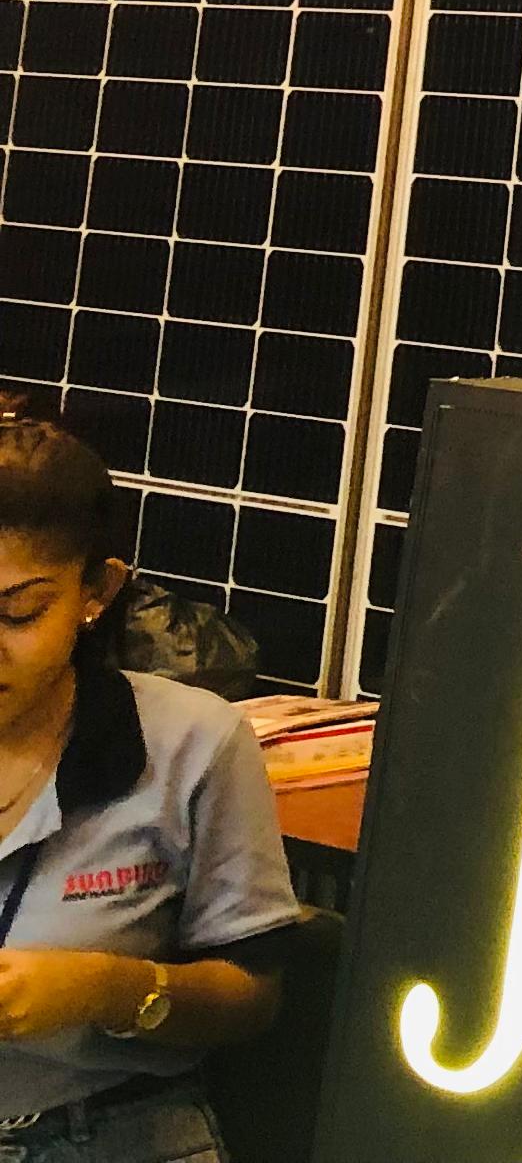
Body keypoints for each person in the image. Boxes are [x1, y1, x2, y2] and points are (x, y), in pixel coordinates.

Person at [0, 418, 293, 1162]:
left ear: (97, 591)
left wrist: (106, 989)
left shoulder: (192, 743)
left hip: (110, 1131)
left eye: (19, 613)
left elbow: (251, 996)